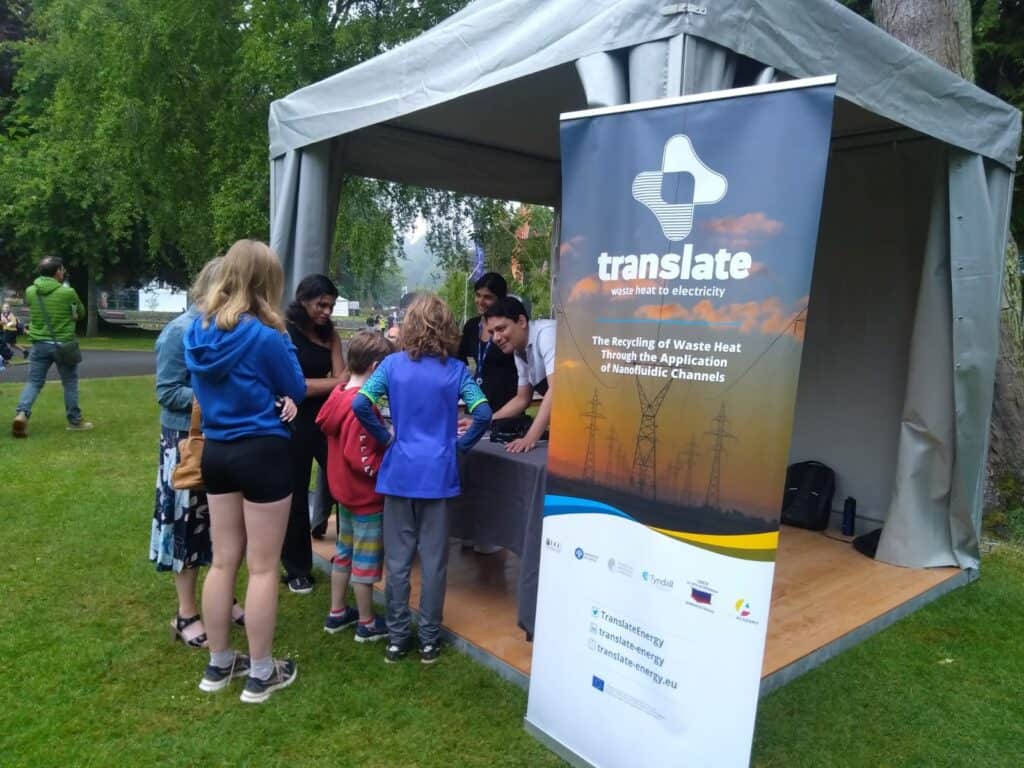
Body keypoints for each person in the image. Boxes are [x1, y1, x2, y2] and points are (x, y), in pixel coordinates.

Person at [184, 239, 307, 704]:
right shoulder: (266, 335)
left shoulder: (198, 331)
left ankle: (219, 665)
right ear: (267, 283)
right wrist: (280, 334)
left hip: (217, 452)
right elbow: (293, 385)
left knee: (222, 559)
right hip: (263, 452)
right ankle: (260, 672)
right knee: (261, 567)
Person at [354, 294, 492, 664]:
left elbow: (360, 403)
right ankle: (429, 639)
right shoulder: (457, 371)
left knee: (397, 562)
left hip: (399, 473)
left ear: (409, 325)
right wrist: (459, 447)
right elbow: (482, 412)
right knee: (434, 562)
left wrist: (385, 438)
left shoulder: (391, 366)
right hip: (440, 474)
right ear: (447, 327)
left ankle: (398, 639)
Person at [151, 258, 244, 648]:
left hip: (223, 439)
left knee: (224, 527)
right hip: (186, 444)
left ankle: (224, 598)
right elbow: (168, 391)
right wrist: (219, 398)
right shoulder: (179, 331)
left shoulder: (228, 329)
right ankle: (186, 613)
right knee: (187, 528)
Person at [315, 330, 394, 642]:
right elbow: (360, 456)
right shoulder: (363, 407)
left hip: (343, 495)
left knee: (344, 552)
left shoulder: (337, 397)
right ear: (376, 368)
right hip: (365, 499)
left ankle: (337, 613)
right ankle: (366, 621)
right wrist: (386, 468)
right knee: (365, 561)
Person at [281, 275, 347, 594]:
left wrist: (311, 385)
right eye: (321, 304)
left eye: (331, 305)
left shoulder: (330, 333)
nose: (326, 311)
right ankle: (297, 569)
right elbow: (293, 386)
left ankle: (348, 555)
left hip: (326, 418)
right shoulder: (285, 331)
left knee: (344, 482)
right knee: (294, 492)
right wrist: (324, 384)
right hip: (292, 420)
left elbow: (342, 377)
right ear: (303, 299)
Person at [11, 257, 92, 437]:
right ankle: (75, 420)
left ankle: (22, 413)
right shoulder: (67, 293)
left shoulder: (31, 291)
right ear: (57, 272)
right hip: (63, 344)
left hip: (39, 344)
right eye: (62, 270)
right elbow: (81, 313)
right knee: (69, 382)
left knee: (34, 382)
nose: (63, 272)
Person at [483, 297, 555, 454]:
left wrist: (530, 438)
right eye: (492, 332)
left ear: (521, 321)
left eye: (501, 329)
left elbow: (556, 390)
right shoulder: (518, 349)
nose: (495, 337)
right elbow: (522, 399)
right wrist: (484, 422)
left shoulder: (546, 333)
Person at [457, 272, 519, 412]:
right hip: (476, 406)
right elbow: (459, 363)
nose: (481, 301)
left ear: (500, 299)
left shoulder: (509, 329)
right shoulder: (471, 326)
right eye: (478, 295)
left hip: (505, 407)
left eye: (488, 297)